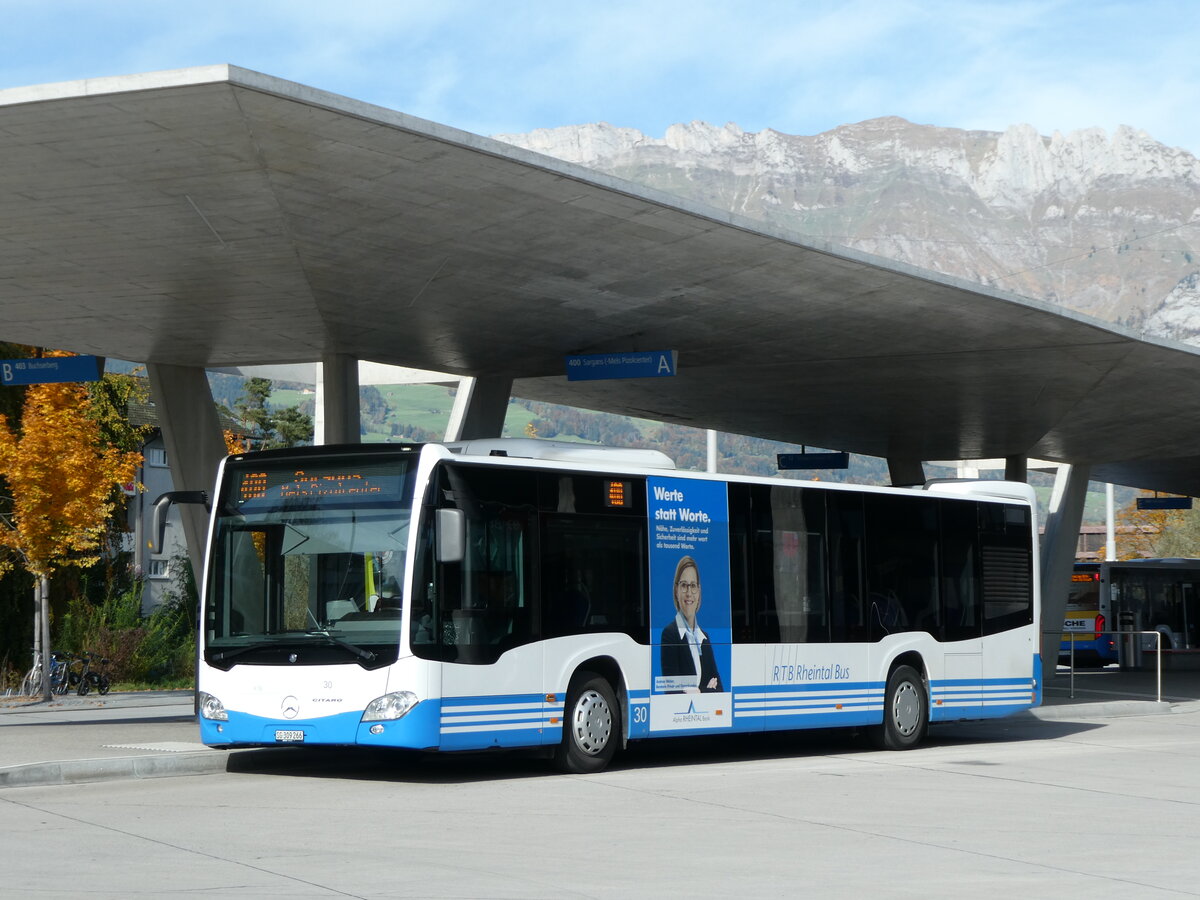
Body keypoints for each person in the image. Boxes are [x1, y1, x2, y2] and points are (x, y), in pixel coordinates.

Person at [659, 555, 723, 692]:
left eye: (693, 586)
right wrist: (707, 690)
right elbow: (672, 691)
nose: (689, 593)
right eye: (684, 585)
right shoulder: (670, 634)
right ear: (676, 591)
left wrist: (698, 691)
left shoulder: (703, 638)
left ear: (699, 592)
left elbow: (720, 690)